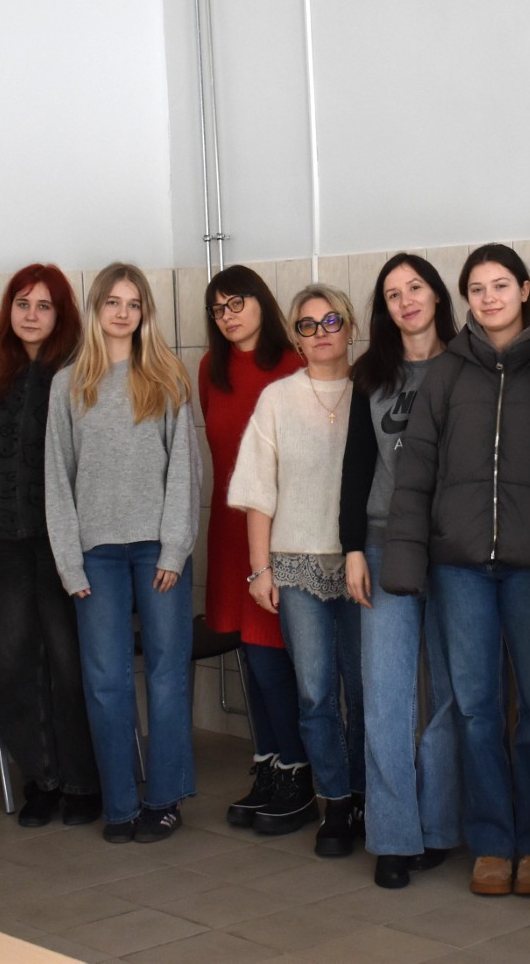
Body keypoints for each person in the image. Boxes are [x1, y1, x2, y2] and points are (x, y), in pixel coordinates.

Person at [384, 244, 530, 898]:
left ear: (525, 289)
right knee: (476, 708)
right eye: (477, 289)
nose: (489, 298)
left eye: (500, 285)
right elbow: (414, 476)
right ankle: (492, 841)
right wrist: (407, 561)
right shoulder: (446, 374)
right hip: (460, 566)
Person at [44, 262, 200, 844]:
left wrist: (175, 548)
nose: (123, 313)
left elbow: (185, 471)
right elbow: (56, 478)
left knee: (165, 675)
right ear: (96, 309)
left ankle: (164, 799)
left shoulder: (166, 377)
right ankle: (120, 804)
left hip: (158, 549)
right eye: (113, 301)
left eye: (134, 304)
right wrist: (69, 561)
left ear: (145, 313)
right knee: (106, 680)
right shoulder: (69, 384)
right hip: (96, 555)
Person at [228, 283, 367, 858]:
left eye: (331, 320)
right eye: (307, 325)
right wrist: (259, 570)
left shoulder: (372, 392)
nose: (320, 332)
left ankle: (366, 796)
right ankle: (335, 801)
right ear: (296, 337)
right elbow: (258, 492)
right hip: (296, 566)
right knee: (315, 692)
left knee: (364, 690)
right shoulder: (277, 399)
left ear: (351, 326)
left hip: (362, 564)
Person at [340, 254, 463, 889]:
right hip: (384, 541)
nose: (406, 300)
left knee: (450, 691)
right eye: (393, 294)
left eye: (415, 287)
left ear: (437, 295)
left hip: (452, 544)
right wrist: (352, 548)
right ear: (384, 310)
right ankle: (393, 835)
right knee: (385, 690)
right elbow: (356, 465)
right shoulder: (371, 376)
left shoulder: (467, 365)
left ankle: (438, 826)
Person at [0, 264, 101, 828]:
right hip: (4, 543)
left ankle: (83, 782)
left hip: (62, 544)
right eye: (22, 304)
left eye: (43, 305)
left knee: (69, 665)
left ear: (61, 315)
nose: (31, 315)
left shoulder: (77, 374)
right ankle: (42, 780)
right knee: (11, 665)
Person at [198, 265, 313, 833]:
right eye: (218, 309)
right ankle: (268, 765)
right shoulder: (210, 370)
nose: (228, 316)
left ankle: (298, 773)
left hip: (278, 535)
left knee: (272, 658)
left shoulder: (292, 364)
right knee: (249, 652)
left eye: (237, 302)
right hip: (228, 529)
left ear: (262, 302)